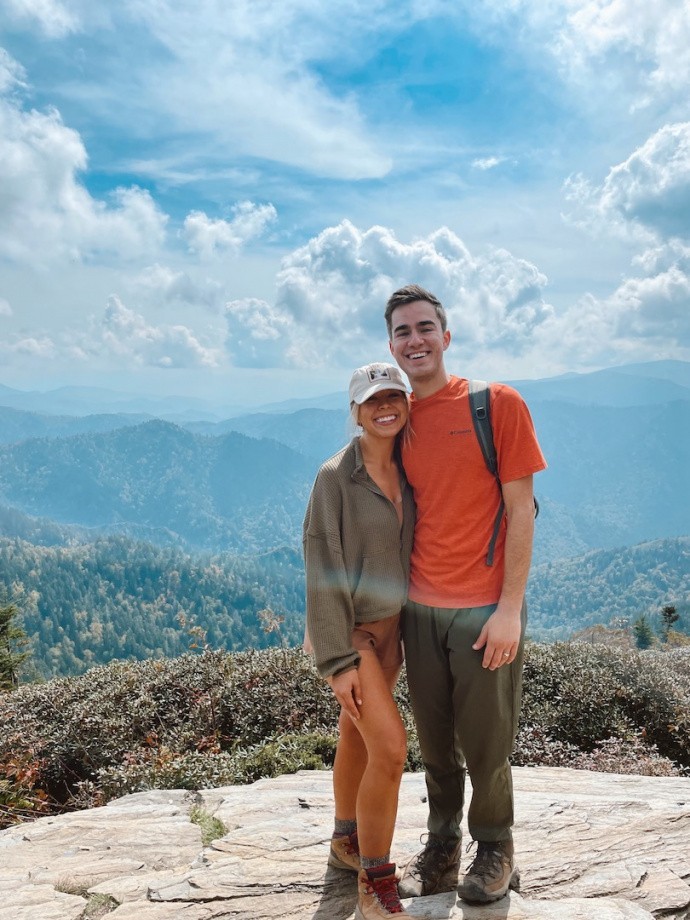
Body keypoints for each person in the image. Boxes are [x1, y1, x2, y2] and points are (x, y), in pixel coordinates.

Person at [385, 284, 547, 905]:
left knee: (486, 744)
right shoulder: (396, 417)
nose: (415, 339)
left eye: (424, 327)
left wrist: (510, 610)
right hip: (419, 611)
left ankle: (497, 847)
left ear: (446, 337)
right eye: (402, 331)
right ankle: (443, 843)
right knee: (435, 742)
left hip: (484, 609)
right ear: (392, 346)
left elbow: (521, 509)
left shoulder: (495, 404)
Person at [303, 362, 418, 920]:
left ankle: (346, 840)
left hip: (395, 631)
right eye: (373, 400)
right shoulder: (335, 479)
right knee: (391, 750)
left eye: (394, 395)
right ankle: (375, 877)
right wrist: (338, 658)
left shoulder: (411, 464)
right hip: (355, 635)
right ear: (355, 411)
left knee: (357, 733)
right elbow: (322, 567)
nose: (385, 406)